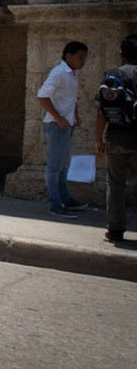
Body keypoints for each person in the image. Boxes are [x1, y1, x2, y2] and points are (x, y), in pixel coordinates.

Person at [37, 40, 89, 218]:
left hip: (66, 124)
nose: (83, 61)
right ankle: (56, 203)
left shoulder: (72, 74)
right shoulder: (59, 73)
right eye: (80, 57)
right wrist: (58, 118)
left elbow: (71, 98)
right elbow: (42, 96)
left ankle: (64, 198)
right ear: (69, 56)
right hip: (57, 125)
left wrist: (75, 115)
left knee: (64, 164)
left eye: (84, 57)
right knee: (54, 166)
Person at [95, 34, 137, 242]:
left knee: (116, 184)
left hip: (117, 137)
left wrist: (98, 139)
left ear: (122, 53)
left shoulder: (114, 75)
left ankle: (115, 229)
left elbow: (102, 110)